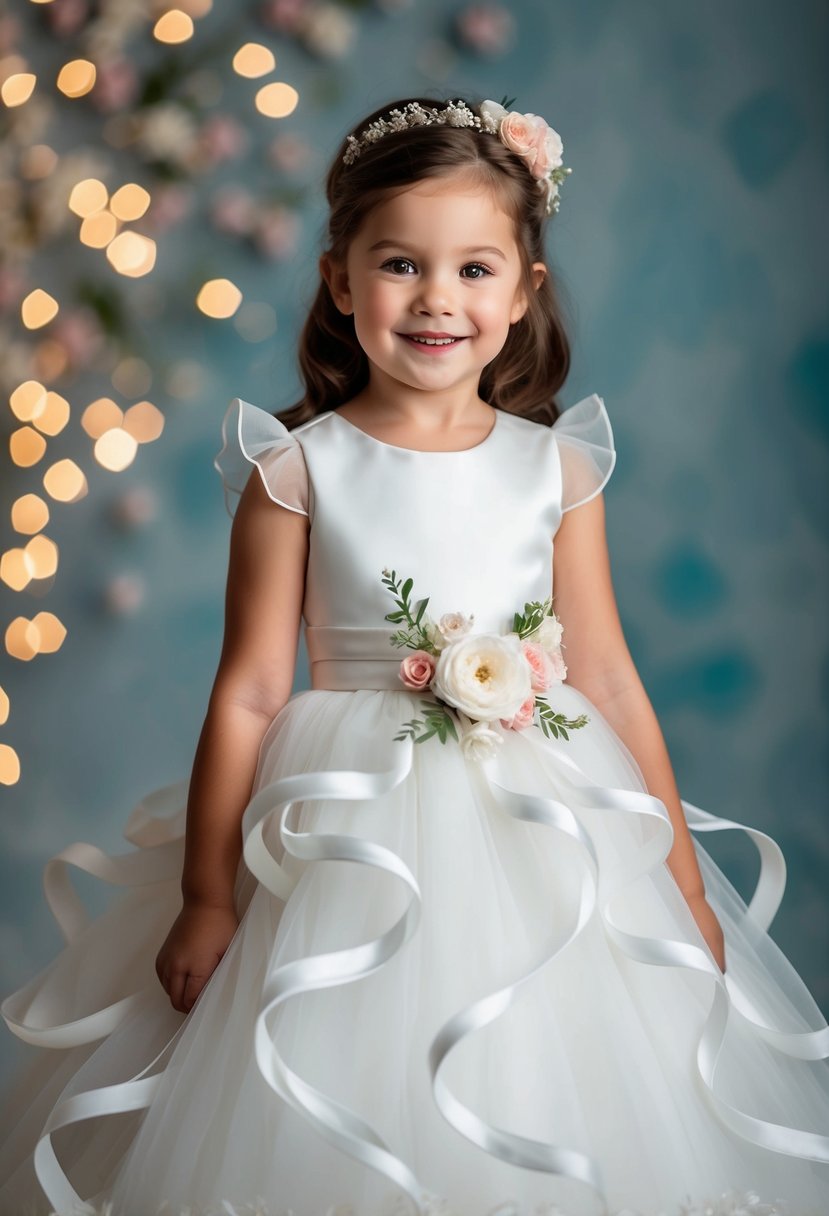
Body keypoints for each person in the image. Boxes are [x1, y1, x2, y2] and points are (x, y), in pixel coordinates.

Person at [1, 93, 827, 1216]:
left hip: (546, 832)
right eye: (399, 265)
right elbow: (249, 691)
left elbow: (609, 675)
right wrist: (206, 895)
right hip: (342, 832)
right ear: (341, 281)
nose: (437, 299)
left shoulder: (557, 468)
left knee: (547, 1080)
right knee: (332, 1074)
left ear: (524, 291)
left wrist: (678, 875)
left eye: (475, 270)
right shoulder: (298, 469)